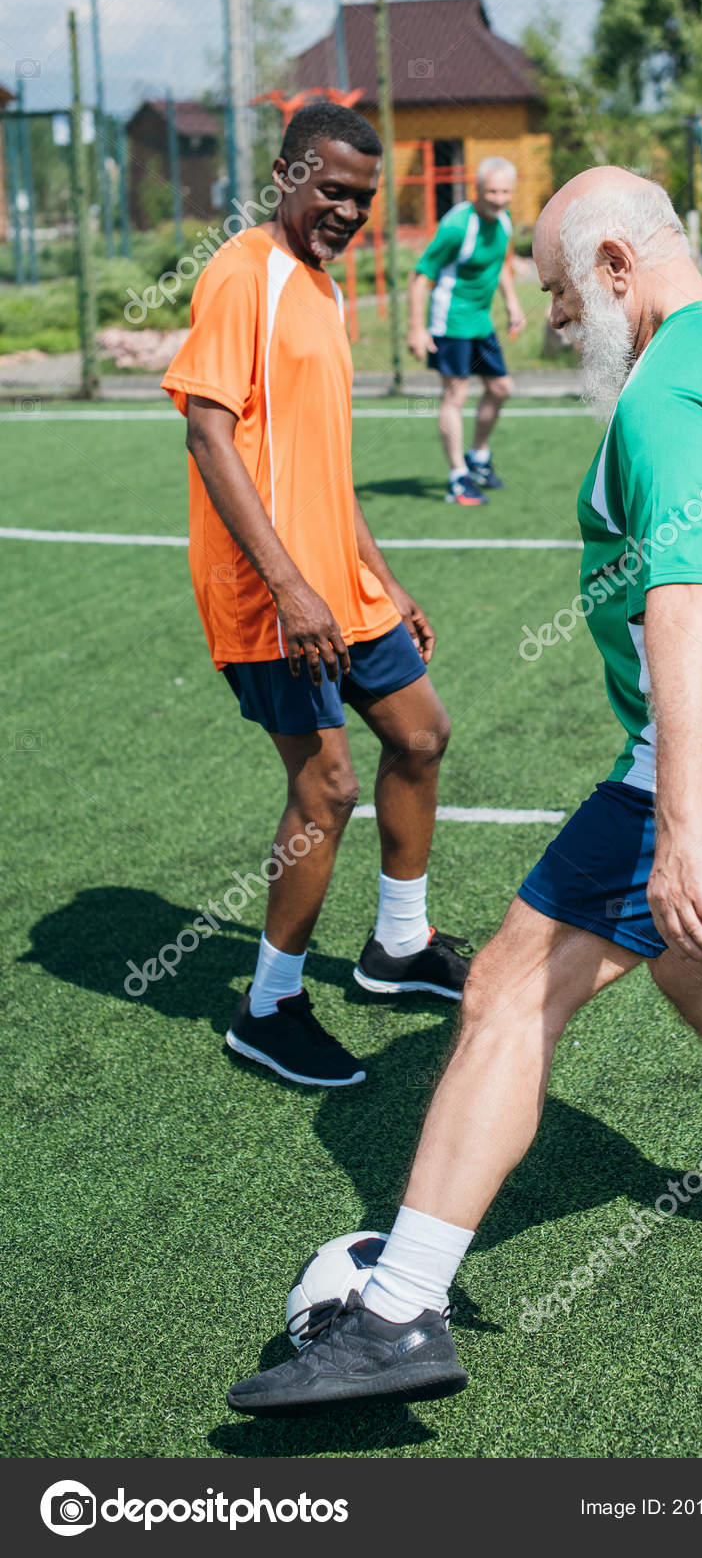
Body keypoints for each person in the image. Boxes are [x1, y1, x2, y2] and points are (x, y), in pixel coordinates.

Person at [226, 166, 702, 1414]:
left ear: (616, 262)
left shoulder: (664, 396)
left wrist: (676, 829)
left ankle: (397, 1314)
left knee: (504, 986)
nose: (551, 321)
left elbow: (690, 602)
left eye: (557, 289)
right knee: (695, 964)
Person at [162, 103, 471, 1092]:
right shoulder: (240, 272)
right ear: (289, 172)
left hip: (339, 581)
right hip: (265, 594)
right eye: (331, 188)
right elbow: (208, 435)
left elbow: (321, 466)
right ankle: (269, 1005)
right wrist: (292, 585)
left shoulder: (324, 291)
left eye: (363, 198)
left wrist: (379, 574)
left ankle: (397, 946)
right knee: (327, 786)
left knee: (420, 733)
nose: (347, 210)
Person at [407, 157, 526, 505]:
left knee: (501, 387)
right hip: (450, 322)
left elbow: (500, 265)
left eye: (505, 191)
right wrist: (417, 330)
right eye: (492, 191)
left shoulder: (503, 221)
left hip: (479, 321)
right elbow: (420, 276)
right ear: (478, 189)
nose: (499, 198)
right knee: (455, 396)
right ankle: (458, 477)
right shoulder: (458, 226)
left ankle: (478, 457)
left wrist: (513, 304)